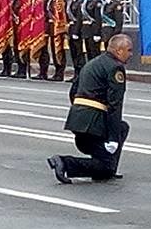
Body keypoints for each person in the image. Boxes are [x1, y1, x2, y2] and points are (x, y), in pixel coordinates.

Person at [47, 34, 133, 183]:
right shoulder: (115, 68)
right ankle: (65, 163)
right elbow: (114, 105)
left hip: (79, 121)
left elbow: (73, 91)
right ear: (119, 51)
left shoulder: (93, 63)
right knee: (104, 165)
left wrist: (80, 112)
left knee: (122, 127)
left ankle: (107, 168)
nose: (131, 54)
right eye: (129, 50)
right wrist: (112, 139)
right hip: (93, 126)